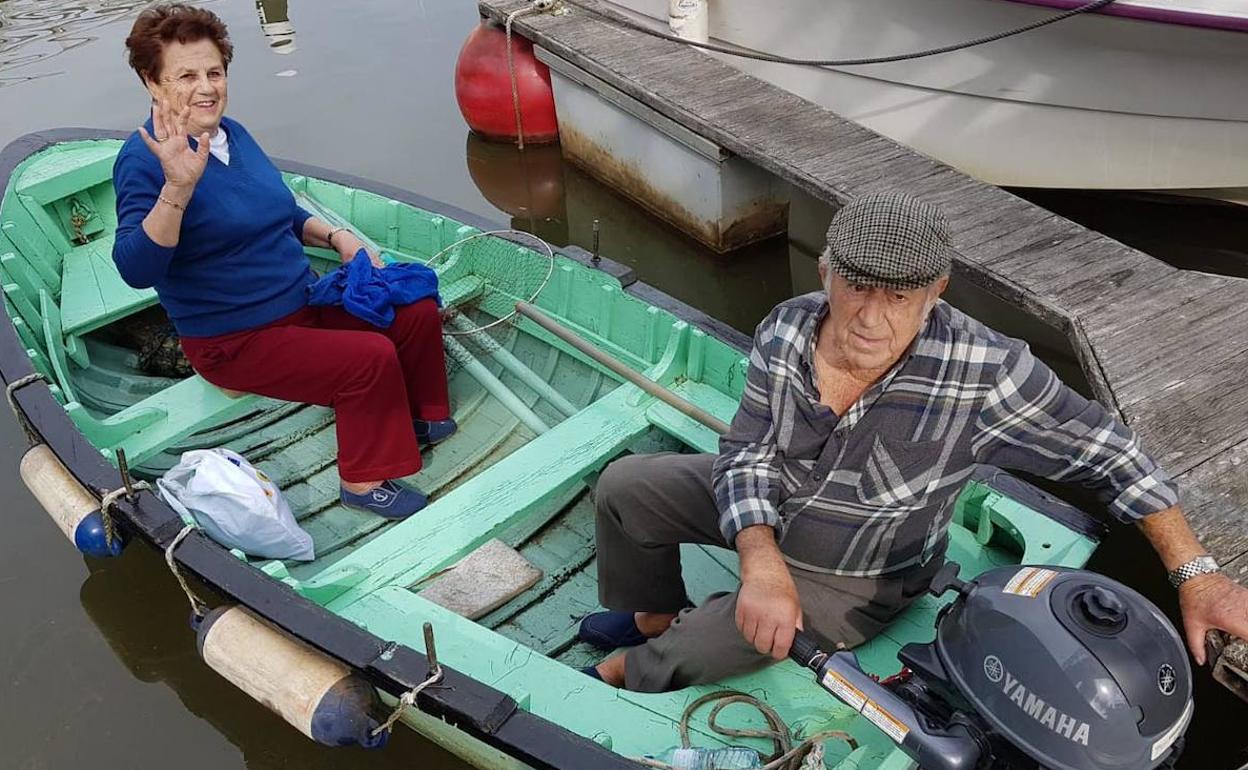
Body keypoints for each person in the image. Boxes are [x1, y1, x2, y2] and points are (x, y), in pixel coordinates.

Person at [580, 193, 1248, 692]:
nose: (870, 318)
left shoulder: (986, 372)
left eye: (898, 296)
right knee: (624, 487)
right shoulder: (786, 328)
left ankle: (624, 671)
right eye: (857, 286)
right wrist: (759, 558)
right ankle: (652, 616)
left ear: (936, 292)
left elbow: (1112, 453)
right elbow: (749, 452)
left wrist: (1198, 574)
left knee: (706, 647)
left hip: (859, 577)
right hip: (777, 518)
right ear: (825, 272)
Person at [113, 4, 452, 520]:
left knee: (413, 310)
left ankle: (417, 417)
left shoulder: (234, 134)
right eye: (186, 76)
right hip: (234, 338)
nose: (207, 88)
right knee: (368, 358)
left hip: (300, 300)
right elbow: (135, 269)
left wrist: (338, 236)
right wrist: (178, 187)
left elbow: (280, 211)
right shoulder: (144, 160)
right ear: (151, 82)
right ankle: (361, 483)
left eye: (215, 72)